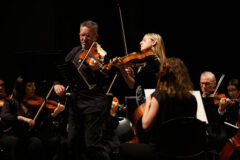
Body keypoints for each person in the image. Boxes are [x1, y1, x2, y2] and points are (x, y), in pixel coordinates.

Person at [53, 20, 120, 160]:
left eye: (88, 36)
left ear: (96, 37)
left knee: (92, 146)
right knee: (72, 143)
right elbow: (61, 71)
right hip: (75, 105)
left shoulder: (101, 56)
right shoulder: (75, 51)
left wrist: (97, 71)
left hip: (93, 106)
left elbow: (105, 81)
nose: (84, 39)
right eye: (82, 35)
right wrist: (57, 84)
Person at [118, 57, 199, 160]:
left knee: (123, 148)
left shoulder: (159, 96)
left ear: (163, 74)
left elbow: (145, 125)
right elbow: (193, 124)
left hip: (162, 150)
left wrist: (147, 103)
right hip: (184, 150)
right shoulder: (192, 98)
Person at [0, 75, 65, 160]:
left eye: (34, 85)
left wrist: (55, 113)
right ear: (21, 87)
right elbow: (5, 116)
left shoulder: (33, 106)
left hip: (26, 136)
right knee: (15, 142)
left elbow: (40, 123)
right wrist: (22, 118)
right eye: (30, 86)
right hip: (9, 135)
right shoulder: (10, 102)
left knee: (37, 142)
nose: (34, 88)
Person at [112, 33, 166, 106]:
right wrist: (122, 69)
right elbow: (133, 86)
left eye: (144, 40)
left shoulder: (156, 64)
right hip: (142, 105)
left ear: (154, 42)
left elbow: (136, 84)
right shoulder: (145, 64)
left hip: (151, 104)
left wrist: (133, 75)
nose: (140, 42)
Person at [199, 71, 235, 157]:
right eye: (202, 83)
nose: (204, 87)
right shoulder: (197, 98)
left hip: (214, 133)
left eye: (207, 84)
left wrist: (221, 109)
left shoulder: (220, 99)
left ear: (214, 84)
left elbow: (218, 124)